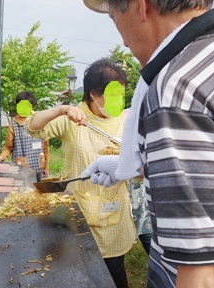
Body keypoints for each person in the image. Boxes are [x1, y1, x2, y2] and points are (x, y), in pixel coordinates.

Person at [82, 1, 214, 287]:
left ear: (141, 7)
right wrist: (131, 167)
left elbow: (200, 274)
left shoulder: (178, 87)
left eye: (115, 19)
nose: (124, 41)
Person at [25, 59, 136, 288]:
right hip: (80, 214)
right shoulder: (73, 118)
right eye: (113, 95)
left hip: (115, 213)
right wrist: (61, 109)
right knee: (79, 273)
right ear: (94, 94)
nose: (119, 101)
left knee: (114, 273)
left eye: (121, 95)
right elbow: (32, 127)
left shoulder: (126, 120)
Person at [0, 91, 49, 180]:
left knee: (38, 192)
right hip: (20, 169)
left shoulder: (40, 121)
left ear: (33, 106)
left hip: (38, 168)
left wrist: (46, 167)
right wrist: (2, 156)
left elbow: (45, 148)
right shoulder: (14, 123)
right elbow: (8, 147)